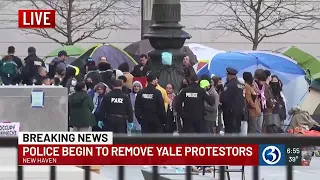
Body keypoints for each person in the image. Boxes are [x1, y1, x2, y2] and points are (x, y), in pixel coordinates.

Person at [220, 67, 245, 134]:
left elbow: (224, 98)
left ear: (230, 75)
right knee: (237, 129)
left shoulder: (229, 85)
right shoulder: (240, 84)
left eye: (227, 75)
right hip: (238, 111)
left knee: (229, 130)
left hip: (229, 111)